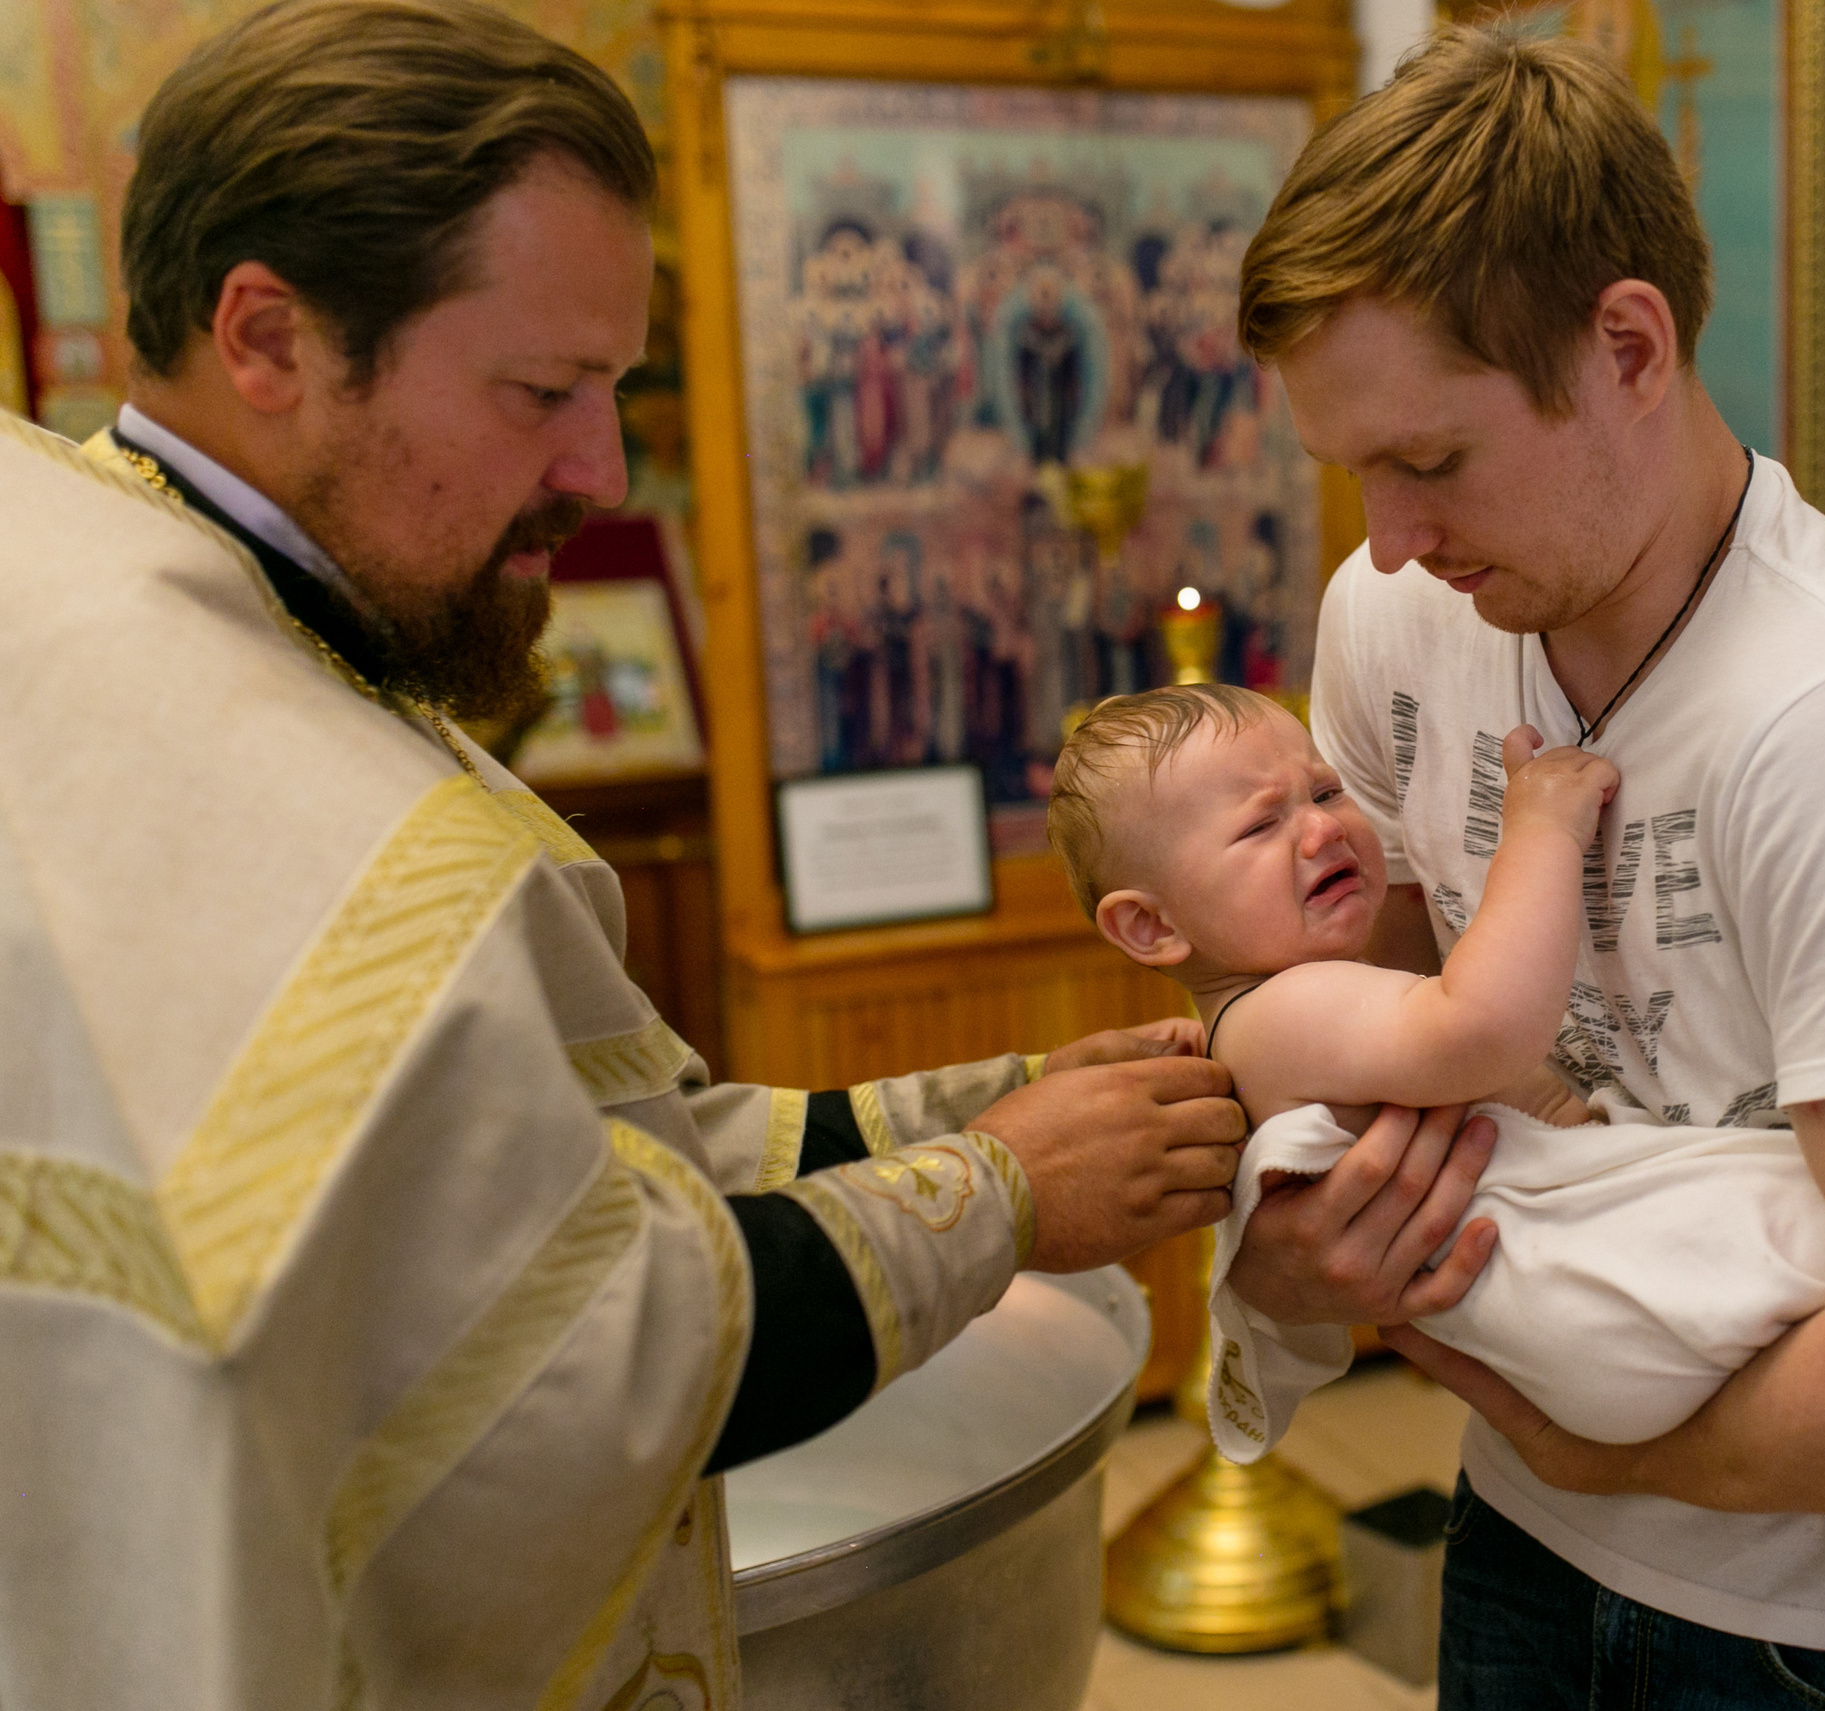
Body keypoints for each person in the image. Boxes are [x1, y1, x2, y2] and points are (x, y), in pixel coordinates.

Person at [0, 5, 1248, 1707]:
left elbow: (540, 1167)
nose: (599, 469)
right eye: (542, 391)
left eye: (616, 386)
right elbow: (573, 1348)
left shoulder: (148, 594)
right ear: (268, 335)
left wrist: (972, 1106)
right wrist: (1004, 1190)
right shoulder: (238, 761)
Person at [1214, 27, 1825, 1708]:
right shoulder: (1402, 614)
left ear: (1629, 345)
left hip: (1798, 1632)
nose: (1386, 537)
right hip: (1512, 1535)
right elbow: (1350, 1022)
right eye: (1354, 469)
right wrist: (1287, 1234)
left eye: (1431, 460)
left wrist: (1593, 1451)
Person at [1047, 677, 1825, 1464]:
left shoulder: (1273, 1013)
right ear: (1151, 930)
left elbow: (1499, 1090)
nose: (1324, 823)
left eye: (1322, 787)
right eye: (1260, 823)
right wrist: (1539, 830)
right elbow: (1480, 1032)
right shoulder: (1276, 1015)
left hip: (1593, 1315)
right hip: (1589, 1298)